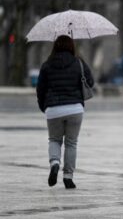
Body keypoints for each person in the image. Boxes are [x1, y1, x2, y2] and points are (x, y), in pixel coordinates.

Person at [36, 35, 94, 189]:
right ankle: (68, 176)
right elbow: (91, 82)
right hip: (75, 108)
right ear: (71, 46)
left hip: (53, 109)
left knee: (54, 140)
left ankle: (55, 163)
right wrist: (80, 61)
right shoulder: (78, 62)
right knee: (71, 143)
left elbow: (40, 89)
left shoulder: (47, 65)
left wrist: (44, 106)